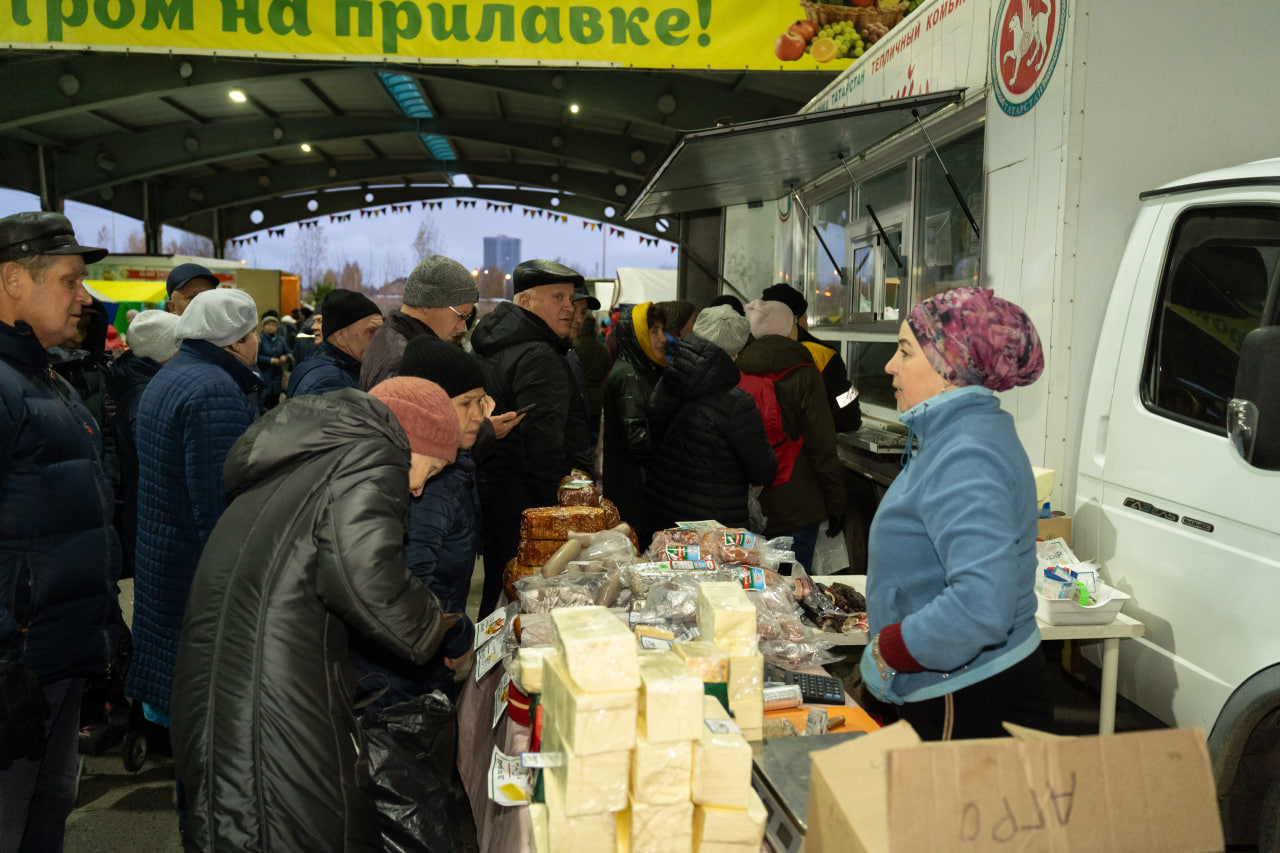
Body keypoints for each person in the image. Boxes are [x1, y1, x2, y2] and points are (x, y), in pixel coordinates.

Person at [170, 377, 461, 852]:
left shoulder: (311, 462)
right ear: (413, 440)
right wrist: (434, 626)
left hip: (229, 681)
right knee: (283, 828)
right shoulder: (374, 454)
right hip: (269, 689)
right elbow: (365, 579)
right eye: (430, 468)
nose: (419, 489)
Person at [859, 286, 1051, 741]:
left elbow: (981, 606)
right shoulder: (961, 434)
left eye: (905, 351)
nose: (890, 365)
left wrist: (890, 651)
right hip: (960, 684)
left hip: (965, 697)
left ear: (951, 367)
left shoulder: (966, 452)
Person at [0, 211, 120, 851]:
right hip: (16, 668)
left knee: (43, 822)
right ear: (15, 278)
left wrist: (107, 628)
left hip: (57, 657)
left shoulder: (47, 377)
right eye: (72, 281)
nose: (86, 297)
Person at [129, 288, 261, 778]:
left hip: (164, 552)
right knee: (206, 717)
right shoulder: (215, 390)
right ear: (235, 340)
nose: (257, 347)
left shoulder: (175, 374)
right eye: (252, 336)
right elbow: (218, 499)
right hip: (194, 564)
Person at [352, 336, 489, 706]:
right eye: (466, 403)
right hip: (401, 679)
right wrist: (456, 635)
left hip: (417, 664)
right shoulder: (425, 487)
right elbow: (404, 592)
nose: (479, 414)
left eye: (482, 401)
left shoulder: (449, 472)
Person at [471, 259, 593, 615]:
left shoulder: (497, 343)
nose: (569, 308)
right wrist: (554, 519)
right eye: (557, 297)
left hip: (496, 492)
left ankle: (486, 669)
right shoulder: (539, 355)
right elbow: (543, 446)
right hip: (526, 506)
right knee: (522, 601)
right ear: (526, 303)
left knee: (498, 590)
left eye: (570, 298)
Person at [640, 305, 777, 543]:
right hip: (711, 532)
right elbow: (763, 470)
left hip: (663, 520)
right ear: (735, 351)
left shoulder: (667, 382)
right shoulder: (737, 404)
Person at [738, 299, 846, 572]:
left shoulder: (739, 368)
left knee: (757, 591)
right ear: (789, 329)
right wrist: (836, 504)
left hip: (750, 501)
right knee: (795, 592)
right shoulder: (804, 372)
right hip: (798, 502)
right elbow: (821, 445)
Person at [106, 309, 181, 579]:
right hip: (151, 523)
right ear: (166, 353)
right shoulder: (145, 396)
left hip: (143, 519)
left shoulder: (138, 382)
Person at [360, 254, 479, 389]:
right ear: (428, 303)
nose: (462, 327)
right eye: (461, 315)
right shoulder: (404, 361)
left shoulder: (395, 336)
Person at [762, 282, 862, 433]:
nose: (807, 320)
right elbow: (848, 415)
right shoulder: (822, 356)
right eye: (804, 315)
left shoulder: (748, 353)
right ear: (794, 319)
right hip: (807, 450)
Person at [601, 301, 666, 525]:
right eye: (654, 331)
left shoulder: (642, 369)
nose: (663, 338)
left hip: (634, 486)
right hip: (635, 489)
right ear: (637, 335)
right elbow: (638, 440)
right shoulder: (630, 376)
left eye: (662, 330)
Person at [286, 288, 381, 397]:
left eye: (381, 331)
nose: (379, 339)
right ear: (341, 336)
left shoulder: (336, 369)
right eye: (371, 331)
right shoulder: (329, 383)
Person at [566, 282, 604, 450]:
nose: (579, 319)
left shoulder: (572, 351)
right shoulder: (558, 354)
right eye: (574, 310)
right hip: (596, 398)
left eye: (582, 312)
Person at [256, 311, 290, 409]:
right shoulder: (260, 339)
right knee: (265, 402)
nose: (271, 327)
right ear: (264, 326)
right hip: (264, 375)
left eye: (273, 325)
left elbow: (289, 352)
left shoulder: (281, 340)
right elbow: (256, 357)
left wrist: (285, 357)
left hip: (277, 376)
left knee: (276, 403)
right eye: (268, 324)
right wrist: (271, 360)